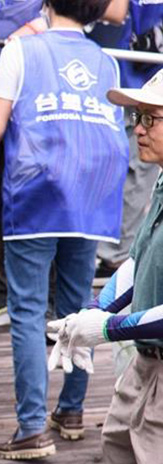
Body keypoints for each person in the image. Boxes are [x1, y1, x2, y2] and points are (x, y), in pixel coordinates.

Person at [0, 0, 129, 459]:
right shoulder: (107, 62)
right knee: (80, 306)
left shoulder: (21, 50)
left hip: (36, 195)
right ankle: (73, 411)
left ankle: (30, 429)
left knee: (26, 310)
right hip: (91, 198)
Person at [0, 0, 129, 330]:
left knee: (50, 201)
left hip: (46, 90)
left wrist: (41, 24)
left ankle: (52, 307)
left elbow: (113, 10)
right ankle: (1, 292)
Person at [49, 67, 163, 464]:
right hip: (146, 364)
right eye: (136, 117)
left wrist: (109, 330)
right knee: (121, 460)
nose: (138, 128)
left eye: (151, 118)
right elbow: (138, 260)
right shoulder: (160, 182)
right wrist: (94, 312)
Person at [90, 2, 163, 277]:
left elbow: (117, 10)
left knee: (139, 169)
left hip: (144, 72)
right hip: (123, 74)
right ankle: (115, 254)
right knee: (123, 166)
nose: (143, 129)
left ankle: (115, 255)